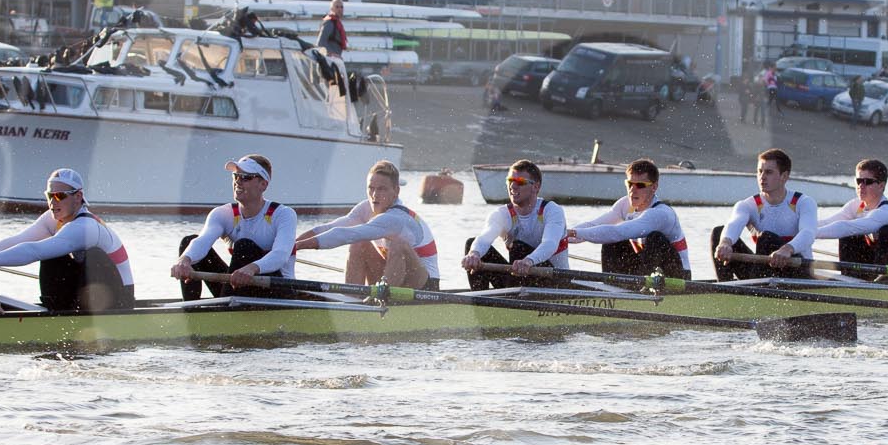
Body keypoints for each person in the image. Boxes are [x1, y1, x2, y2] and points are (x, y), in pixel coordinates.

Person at [0, 167, 136, 313]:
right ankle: (57, 310)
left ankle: (62, 315)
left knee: (52, 251)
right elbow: (17, 241)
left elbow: (33, 251)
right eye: (49, 196)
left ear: (78, 197)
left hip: (119, 301)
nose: (53, 202)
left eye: (59, 196)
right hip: (93, 294)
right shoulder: (53, 218)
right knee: (53, 253)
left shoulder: (85, 227)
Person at [295, 159, 440, 290]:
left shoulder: (396, 218)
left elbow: (345, 235)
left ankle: (382, 304)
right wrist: (289, 244)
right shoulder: (365, 208)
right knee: (359, 244)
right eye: (371, 188)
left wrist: (296, 247)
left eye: (382, 189)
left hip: (425, 286)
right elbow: (330, 228)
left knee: (398, 244)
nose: (374, 195)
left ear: (396, 191)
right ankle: (352, 301)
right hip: (394, 276)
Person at [170, 154, 298, 299]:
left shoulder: (283, 214)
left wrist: (251, 268)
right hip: (239, 286)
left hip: (278, 290)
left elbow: (280, 255)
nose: (238, 181)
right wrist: (184, 261)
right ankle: (191, 313)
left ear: (263, 184)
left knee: (244, 246)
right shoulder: (222, 213)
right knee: (188, 242)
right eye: (236, 176)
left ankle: (224, 312)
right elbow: (202, 241)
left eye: (246, 177)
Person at [567, 158, 691, 277]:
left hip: (677, 276)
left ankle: (644, 289)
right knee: (610, 240)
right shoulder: (624, 204)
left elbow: (617, 232)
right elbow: (593, 225)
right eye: (630, 183)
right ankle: (615, 286)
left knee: (654, 238)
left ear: (654, 187)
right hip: (646, 268)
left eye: (640, 185)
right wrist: (561, 236)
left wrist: (573, 233)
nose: (632, 190)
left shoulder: (661, 213)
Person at [461, 159, 569, 289]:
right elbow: (485, 237)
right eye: (510, 181)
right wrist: (474, 254)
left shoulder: (551, 210)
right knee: (472, 244)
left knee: (518, 248)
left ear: (536, 186)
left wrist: (529, 261)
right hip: (518, 280)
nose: (513, 186)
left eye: (519, 182)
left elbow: (549, 244)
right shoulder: (501, 214)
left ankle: (511, 300)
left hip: (554, 282)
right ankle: (479, 303)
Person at [713, 148, 818, 280]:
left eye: (768, 172)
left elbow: (808, 233)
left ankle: (755, 289)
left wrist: (787, 249)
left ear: (784, 176)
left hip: (797, 270)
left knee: (766, 238)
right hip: (764, 270)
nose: (762, 177)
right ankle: (725, 289)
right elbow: (734, 223)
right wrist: (725, 243)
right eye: (759, 171)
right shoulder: (748, 205)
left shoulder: (803, 202)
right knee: (719, 233)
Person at [816, 159, 888, 279]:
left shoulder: (887, 212)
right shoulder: (855, 205)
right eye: (858, 181)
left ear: (881, 186)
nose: (861, 186)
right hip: (877, 262)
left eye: (867, 182)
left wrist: (810, 234)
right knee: (848, 235)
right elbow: (827, 223)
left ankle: (881, 282)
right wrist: (797, 230)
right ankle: (852, 280)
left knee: (885, 231)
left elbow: (846, 227)